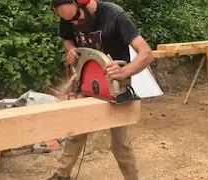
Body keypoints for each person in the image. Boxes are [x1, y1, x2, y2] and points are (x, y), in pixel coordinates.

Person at [48, 0, 153, 179]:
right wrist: (71, 49)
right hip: (87, 83)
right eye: (68, 21)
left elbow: (146, 53)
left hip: (115, 86)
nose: (73, 24)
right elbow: (67, 39)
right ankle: (61, 175)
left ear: (85, 3)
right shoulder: (68, 13)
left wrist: (124, 71)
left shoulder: (114, 15)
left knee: (120, 143)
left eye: (75, 19)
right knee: (76, 132)